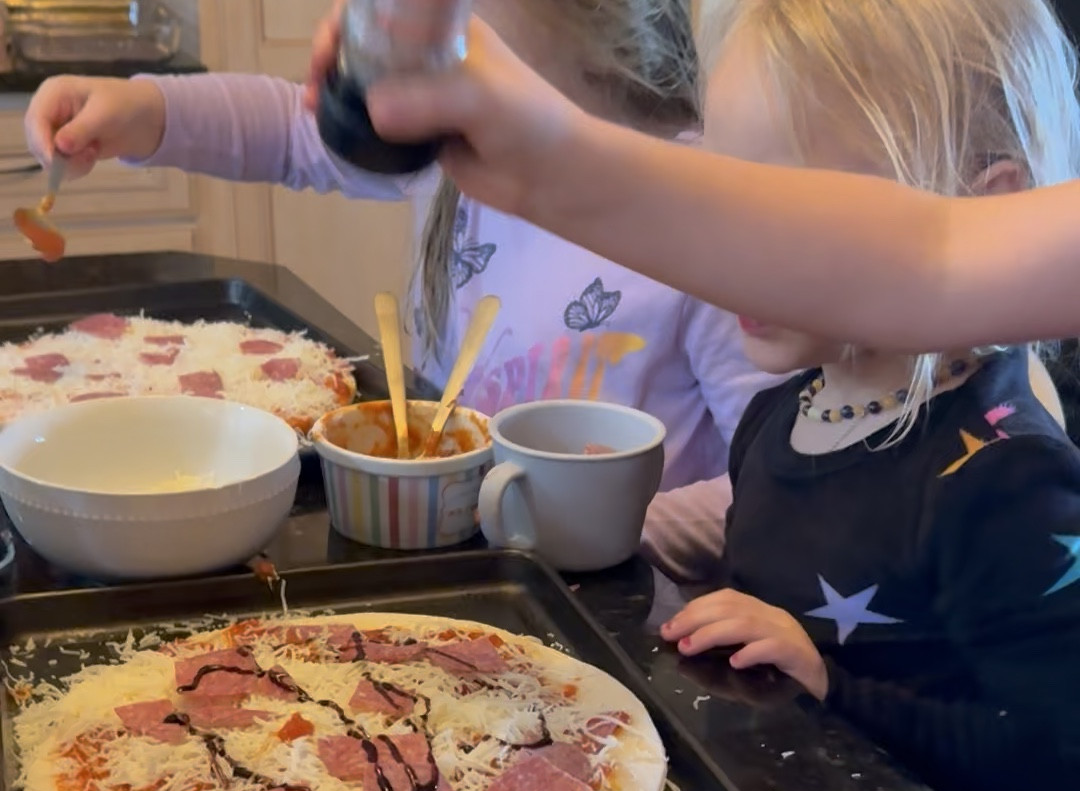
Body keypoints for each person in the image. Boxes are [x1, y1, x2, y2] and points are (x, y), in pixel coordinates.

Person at [24, 0, 775, 495]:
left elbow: (774, 473)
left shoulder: (704, 221)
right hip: (466, 545)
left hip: (624, 611)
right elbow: (294, 131)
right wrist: (148, 110)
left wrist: (620, 534)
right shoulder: (461, 145)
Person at [651, 0, 1080, 791]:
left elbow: (1061, 775)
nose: (732, 254)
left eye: (792, 210)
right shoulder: (784, 413)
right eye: (726, 201)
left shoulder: (1003, 477)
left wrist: (832, 689)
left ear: (982, 212)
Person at [318, 12, 1080, 354]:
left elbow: (936, 259)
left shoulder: (1001, 476)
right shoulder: (795, 420)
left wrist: (557, 159)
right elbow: (936, 257)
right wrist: (552, 158)